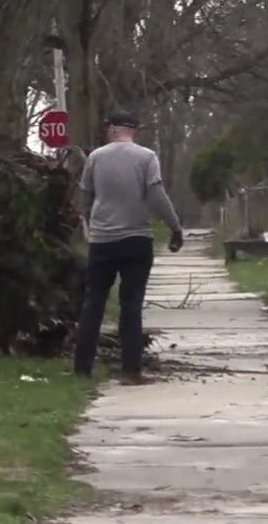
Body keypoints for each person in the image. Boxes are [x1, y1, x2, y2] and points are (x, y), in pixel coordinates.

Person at [72, 109, 184, 385]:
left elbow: (85, 194)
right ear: (134, 131)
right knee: (131, 304)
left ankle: (82, 367)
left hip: (102, 240)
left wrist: (89, 222)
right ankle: (131, 369)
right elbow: (157, 194)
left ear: (111, 128)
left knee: (94, 302)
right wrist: (174, 226)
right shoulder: (146, 157)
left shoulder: (95, 157)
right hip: (136, 238)